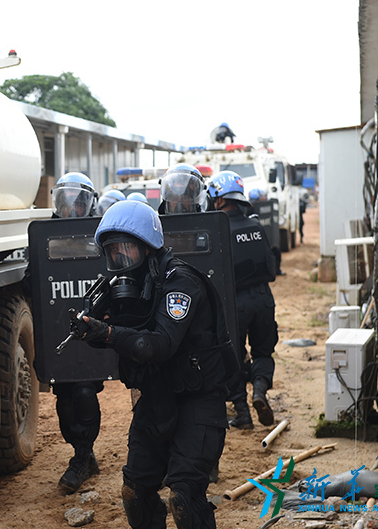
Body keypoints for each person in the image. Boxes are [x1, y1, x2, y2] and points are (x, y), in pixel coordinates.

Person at [71, 200, 235, 529]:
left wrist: (109, 333)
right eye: (113, 252)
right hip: (157, 397)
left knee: (185, 496)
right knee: (135, 492)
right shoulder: (130, 287)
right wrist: (93, 329)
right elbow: (126, 335)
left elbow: (157, 345)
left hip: (199, 399)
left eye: (126, 250)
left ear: (148, 247)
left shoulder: (181, 283)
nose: (120, 259)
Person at [45, 172, 105, 493]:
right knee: (65, 400)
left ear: (89, 204)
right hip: (60, 332)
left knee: (84, 393)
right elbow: (34, 281)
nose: (71, 209)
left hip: (89, 334)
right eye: (65, 202)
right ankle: (84, 454)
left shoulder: (99, 235)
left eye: (78, 202)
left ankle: (82, 456)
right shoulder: (46, 237)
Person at [208, 171, 278, 429]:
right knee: (263, 351)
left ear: (219, 199)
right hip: (263, 298)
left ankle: (242, 413)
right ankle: (259, 390)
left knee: (232, 357)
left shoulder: (218, 230)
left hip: (234, 303)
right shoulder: (256, 226)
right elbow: (271, 267)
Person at [248, 188, 285, 276]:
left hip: (267, 236)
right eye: (263, 196)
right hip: (258, 238)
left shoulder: (265, 207)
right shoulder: (249, 210)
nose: (264, 198)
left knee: (275, 252)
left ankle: (276, 270)